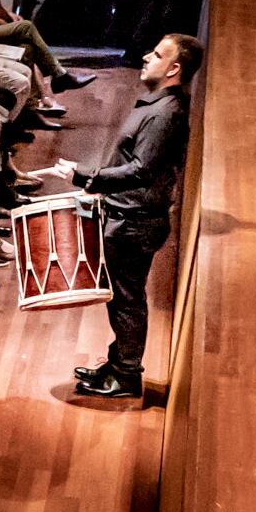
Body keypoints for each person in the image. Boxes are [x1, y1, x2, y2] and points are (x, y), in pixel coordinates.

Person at [59, 33, 198, 401]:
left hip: (136, 222)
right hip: (130, 216)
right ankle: (118, 362)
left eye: (156, 55)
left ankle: (126, 374)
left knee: (127, 298)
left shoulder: (166, 114)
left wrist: (85, 175)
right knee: (121, 296)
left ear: (174, 68)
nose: (146, 57)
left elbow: (140, 171)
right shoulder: (160, 107)